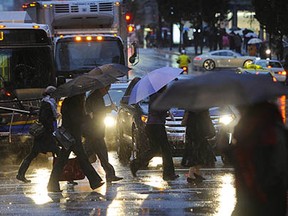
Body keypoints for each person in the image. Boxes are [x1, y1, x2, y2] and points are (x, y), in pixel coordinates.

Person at [229, 101, 288, 216]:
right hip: (272, 192)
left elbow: (240, 159)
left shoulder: (249, 130)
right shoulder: (277, 128)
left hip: (255, 191)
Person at [47, 94, 104, 192]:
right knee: (80, 159)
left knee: (69, 160)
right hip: (72, 136)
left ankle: (52, 184)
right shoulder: (74, 103)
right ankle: (94, 181)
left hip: (70, 136)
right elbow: (76, 119)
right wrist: (87, 117)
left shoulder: (68, 102)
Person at [130, 86, 179, 181]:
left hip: (152, 125)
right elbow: (160, 110)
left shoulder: (154, 96)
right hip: (157, 125)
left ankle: (136, 164)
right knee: (166, 150)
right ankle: (168, 174)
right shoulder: (159, 97)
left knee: (154, 149)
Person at [16, 86, 60, 183]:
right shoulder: (48, 103)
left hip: (43, 135)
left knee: (32, 154)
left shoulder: (45, 101)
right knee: (60, 155)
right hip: (46, 134)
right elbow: (44, 118)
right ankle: (64, 177)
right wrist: (53, 119)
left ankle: (20, 174)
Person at [84, 86, 123, 182]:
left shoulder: (95, 96)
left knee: (98, 154)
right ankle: (72, 170)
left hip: (95, 131)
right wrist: (110, 107)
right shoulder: (95, 97)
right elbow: (98, 111)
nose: (107, 91)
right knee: (88, 155)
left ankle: (110, 174)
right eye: (106, 88)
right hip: (94, 131)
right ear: (102, 88)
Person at [181, 110, 216, 183]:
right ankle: (192, 173)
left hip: (194, 132)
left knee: (198, 153)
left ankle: (196, 172)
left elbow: (184, 121)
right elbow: (206, 119)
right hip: (198, 132)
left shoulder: (191, 107)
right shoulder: (199, 107)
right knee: (199, 153)